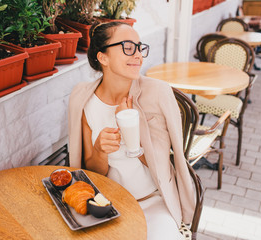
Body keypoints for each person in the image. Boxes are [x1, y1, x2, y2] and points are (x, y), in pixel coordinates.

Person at [68, 21, 195, 239]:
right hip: (107, 204)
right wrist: (99, 150)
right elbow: (93, 172)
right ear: (103, 57)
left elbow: (161, 164)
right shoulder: (83, 98)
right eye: (128, 47)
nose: (138, 55)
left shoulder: (156, 93)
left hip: (153, 201)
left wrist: (130, 128)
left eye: (140, 47)